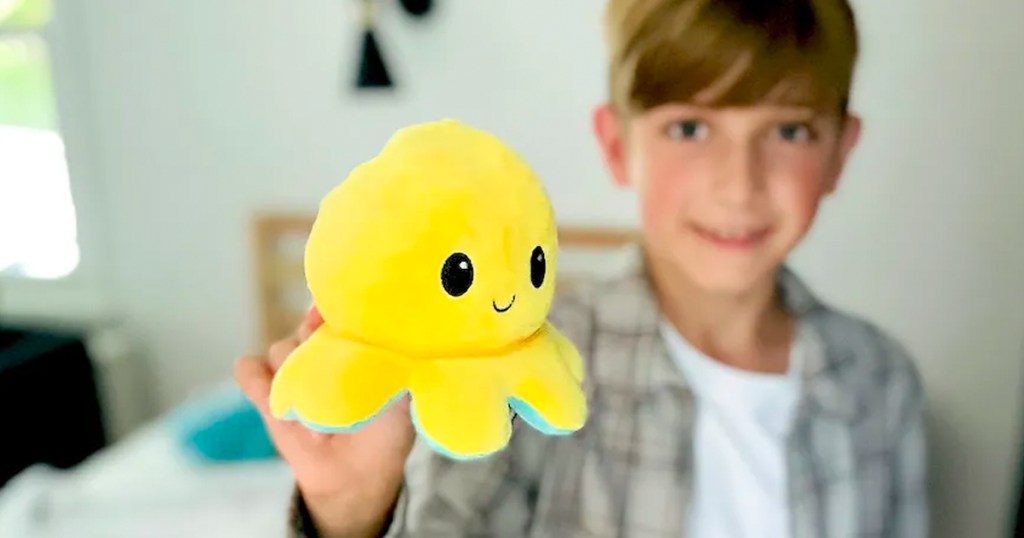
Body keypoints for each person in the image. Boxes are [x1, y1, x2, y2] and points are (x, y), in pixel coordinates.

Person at [235, 0, 929, 536]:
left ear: (841, 150)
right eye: (689, 128)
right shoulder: (523, 358)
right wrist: (353, 510)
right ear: (616, 144)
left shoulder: (880, 380)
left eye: (789, 131)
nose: (738, 183)